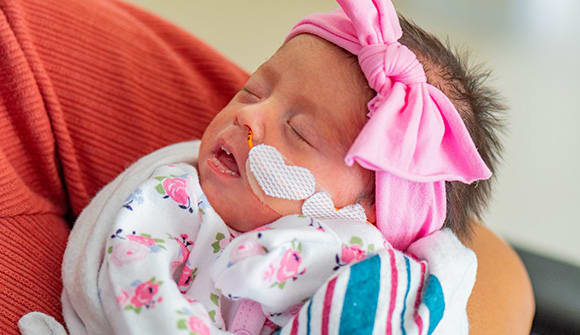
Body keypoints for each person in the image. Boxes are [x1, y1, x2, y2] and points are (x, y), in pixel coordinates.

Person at [0, 0, 534, 334]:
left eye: (300, 132)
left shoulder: (362, 274)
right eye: (251, 89)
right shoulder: (174, 198)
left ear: (367, 215)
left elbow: (498, 270)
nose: (248, 114)